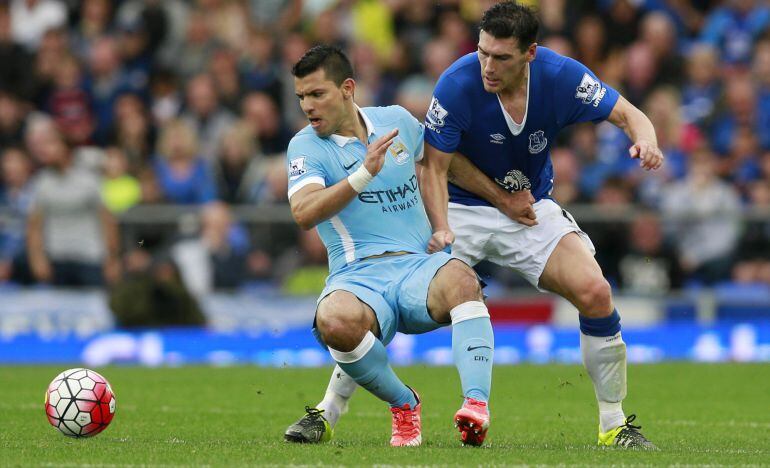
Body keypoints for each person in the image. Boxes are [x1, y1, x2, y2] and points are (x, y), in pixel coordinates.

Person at [294, 2, 663, 450]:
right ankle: (328, 410)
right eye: (482, 52)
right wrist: (445, 225)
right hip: (462, 209)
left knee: (596, 292)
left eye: (500, 57)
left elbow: (629, 113)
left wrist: (646, 139)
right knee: (376, 301)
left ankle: (613, 423)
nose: (487, 65)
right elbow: (434, 166)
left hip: (529, 208)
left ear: (530, 54)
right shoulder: (457, 82)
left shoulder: (562, 76)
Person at [282, 45, 494, 447]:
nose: (307, 106)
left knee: (464, 280)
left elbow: (438, 163)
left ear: (347, 88)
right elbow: (304, 212)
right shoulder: (306, 147)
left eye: (316, 94)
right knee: (334, 320)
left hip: (418, 266)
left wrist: (448, 222)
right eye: (301, 97)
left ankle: (475, 406)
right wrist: (363, 174)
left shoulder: (395, 121)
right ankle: (404, 404)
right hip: (357, 276)